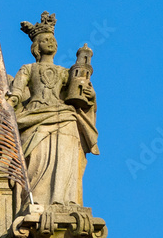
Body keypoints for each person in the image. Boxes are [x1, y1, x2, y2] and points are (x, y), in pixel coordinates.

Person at [8, 12, 99, 207]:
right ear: (36, 47)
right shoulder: (28, 68)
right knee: (37, 159)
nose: (50, 42)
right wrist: (11, 101)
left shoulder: (65, 72)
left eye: (52, 39)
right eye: (45, 39)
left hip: (64, 116)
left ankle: (63, 197)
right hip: (34, 116)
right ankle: (38, 199)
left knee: (66, 149)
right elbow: (16, 91)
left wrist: (90, 97)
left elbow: (77, 94)